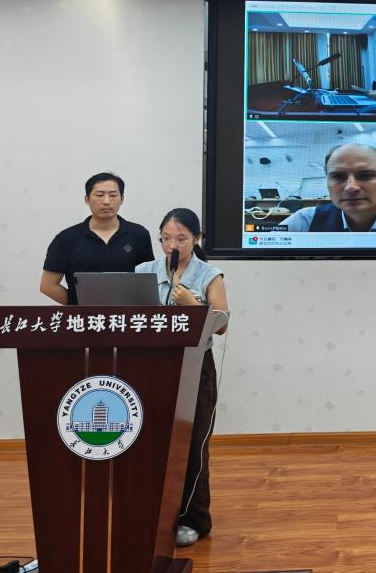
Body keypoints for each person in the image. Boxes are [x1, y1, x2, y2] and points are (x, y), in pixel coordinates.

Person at [136, 208, 229, 548]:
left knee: (192, 443)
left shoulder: (209, 274)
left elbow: (222, 323)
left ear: (197, 239)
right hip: (150, 366)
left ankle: (193, 519)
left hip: (194, 366)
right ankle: (153, 514)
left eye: (181, 239)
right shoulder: (143, 271)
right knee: (151, 441)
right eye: (166, 239)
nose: (172, 245)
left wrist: (193, 304)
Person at [40, 172, 154, 305]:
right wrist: (79, 306)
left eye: (113, 195)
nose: (106, 201)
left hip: (128, 315)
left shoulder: (139, 234)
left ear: (122, 199)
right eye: (99, 195)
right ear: (87, 199)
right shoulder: (66, 239)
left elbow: (148, 281)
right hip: (84, 316)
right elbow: (48, 285)